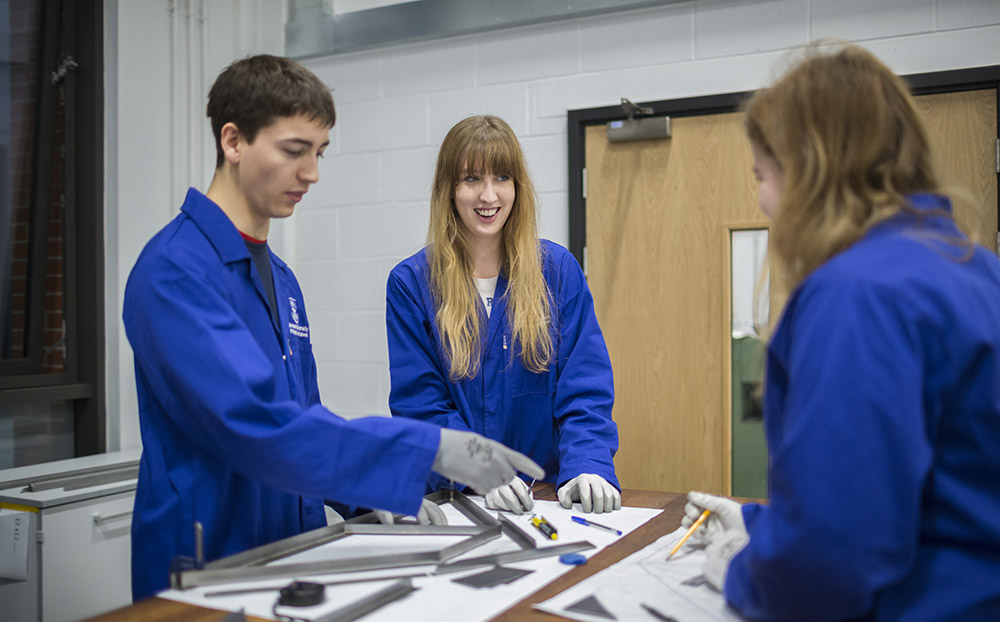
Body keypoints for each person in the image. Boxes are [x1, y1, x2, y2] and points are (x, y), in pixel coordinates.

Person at [123, 57, 542, 601]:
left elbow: (305, 420)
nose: (312, 174)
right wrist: (424, 449)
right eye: (295, 151)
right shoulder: (174, 273)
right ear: (233, 141)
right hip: (205, 564)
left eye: (319, 154)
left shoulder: (282, 280)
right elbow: (259, 429)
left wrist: (366, 501)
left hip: (286, 552)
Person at [681, 42, 1000, 620]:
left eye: (763, 175)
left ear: (808, 169)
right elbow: (935, 491)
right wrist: (759, 524)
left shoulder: (856, 294)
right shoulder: (976, 267)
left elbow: (827, 564)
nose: (762, 200)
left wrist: (744, 568)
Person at [385, 115, 620, 515]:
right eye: (471, 179)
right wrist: (481, 470)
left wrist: (588, 464)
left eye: (502, 178)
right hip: (458, 502)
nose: (488, 195)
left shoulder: (557, 271)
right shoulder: (412, 284)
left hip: (547, 500)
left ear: (518, 187)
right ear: (449, 190)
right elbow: (421, 405)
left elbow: (584, 388)